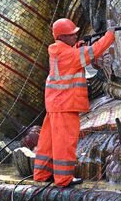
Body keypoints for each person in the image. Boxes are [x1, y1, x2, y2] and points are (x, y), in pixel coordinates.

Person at [33, 18, 115, 187]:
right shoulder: (71, 55)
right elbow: (95, 50)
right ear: (62, 37)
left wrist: (76, 47)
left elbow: (72, 57)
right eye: (72, 35)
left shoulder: (57, 51)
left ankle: (41, 174)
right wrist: (110, 35)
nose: (75, 37)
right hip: (66, 105)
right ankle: (63, 179)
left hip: (54, 104)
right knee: (65, 143)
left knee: (47, 142)